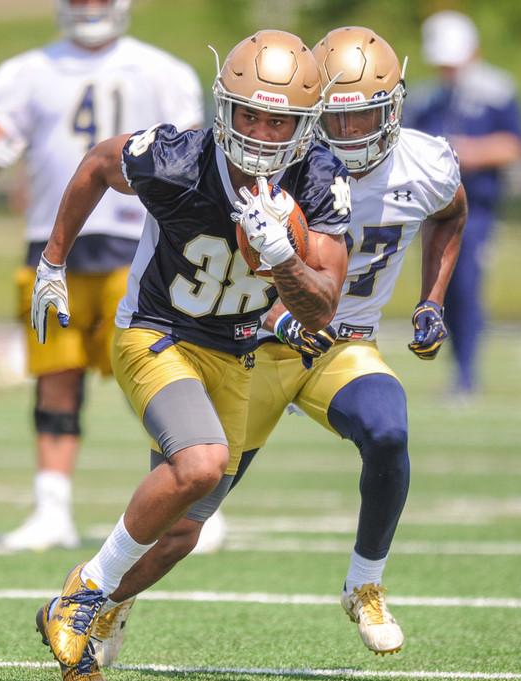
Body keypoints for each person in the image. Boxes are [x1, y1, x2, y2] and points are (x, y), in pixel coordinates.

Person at [75, 26, 468, 664]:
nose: (350, 137)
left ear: (395, 107)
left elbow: (451, 211)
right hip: (250, 345)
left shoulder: (426, 162)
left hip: (338, 346)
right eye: (336, 123)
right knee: (183, 525)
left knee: (388, 431)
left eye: (366, 117)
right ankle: (108, 600)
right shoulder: (289, 162)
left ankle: (365, 582)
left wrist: (432, 298)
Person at [32, 28, 351, 679]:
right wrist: (53, 259)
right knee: (200, 462)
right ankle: (86, 590)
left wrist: (284, 257)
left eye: (279, 119)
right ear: (222, 107)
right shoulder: (178, 159)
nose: (261, 132)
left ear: (307, 123)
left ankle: (91, 615)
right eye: (248, 114)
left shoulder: (319, 176)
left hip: (237, 354)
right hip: (158, 334)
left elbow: (321, 307)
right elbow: (97, 161)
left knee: (181, 531)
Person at [0, 0, 205, 553]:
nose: (90, 8)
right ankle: (53, 509)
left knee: (154, 375)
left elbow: (202, 156)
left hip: (138, 247)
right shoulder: (25, 72)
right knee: (56, 376)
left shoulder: (162, 70)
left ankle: (194, 500)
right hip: (52, 249)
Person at [403, 10, 521, 402]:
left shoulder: (497, 90)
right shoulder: (427, 97)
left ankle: (467, 373)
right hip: (434, 209)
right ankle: (458, 370)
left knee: (467, 287)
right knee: (441, 290)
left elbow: (515, 144)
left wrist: (471, 152)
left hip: (478, 207)